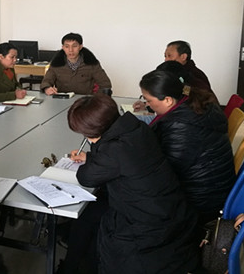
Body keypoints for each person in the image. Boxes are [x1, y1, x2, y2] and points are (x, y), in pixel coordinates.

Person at [64, 94, 198, 274]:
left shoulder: (113, 151)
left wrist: (95, 145)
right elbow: (124, 161)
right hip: (169, 207)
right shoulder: (135, 127)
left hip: (147, 225)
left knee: (89, 215)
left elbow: (85, 177)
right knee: (89, 215)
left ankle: (71, 267)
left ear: (95, 131)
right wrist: (92, 155)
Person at [140, 69, 235, 225]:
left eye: (149, 100)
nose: (148, 105)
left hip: (201, 202)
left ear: (168, 100)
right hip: (212, 189)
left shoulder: (181, 126)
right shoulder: (196, 105)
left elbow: (165, 174)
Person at [40, 32, 111, 95]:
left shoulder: (91, 63)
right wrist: (47, 88)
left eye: (74, 46)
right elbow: (46, 81)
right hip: (62, 100)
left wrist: (96, 99)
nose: (71, 50)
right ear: (63, 48)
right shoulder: (57, 63)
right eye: (67, 46)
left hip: (85, 101)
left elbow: (105, 84)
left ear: (80, 47)